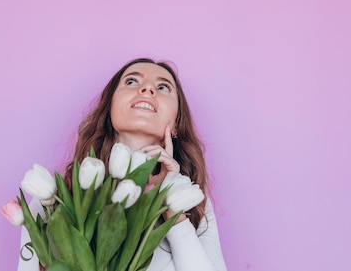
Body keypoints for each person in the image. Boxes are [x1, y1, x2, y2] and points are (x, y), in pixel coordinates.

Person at [17, 58, 227, 271]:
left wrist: (172, 205)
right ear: (109, 110)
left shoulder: (193, 204)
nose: (147, 89)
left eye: (163, 87)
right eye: (132, 82)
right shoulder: (53, 197)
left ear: (176, 125)